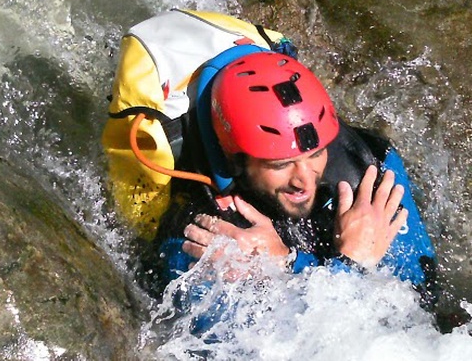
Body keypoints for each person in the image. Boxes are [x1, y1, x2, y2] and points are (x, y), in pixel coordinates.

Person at [153, 49, 437, 304]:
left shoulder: (368, 163)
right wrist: (348, 264)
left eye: (315, 155)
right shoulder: (201, 233)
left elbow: (422, 299)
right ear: (237, 160)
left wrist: (289, 263)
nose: (304, 180)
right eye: (281, 165)